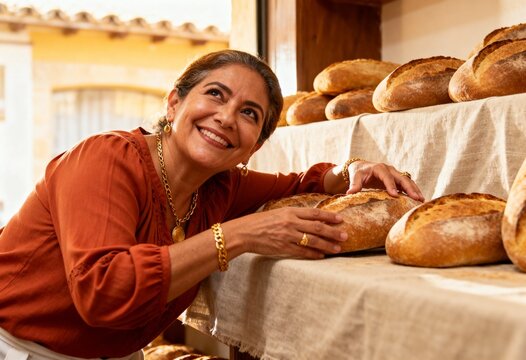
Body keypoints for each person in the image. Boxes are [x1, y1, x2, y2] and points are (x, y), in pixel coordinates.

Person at [0, 49, 424, 360]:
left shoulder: (218, 185)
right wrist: (237, 236)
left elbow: (299, 182)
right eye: (215, 94)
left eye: (249, 114)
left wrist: (352, 171)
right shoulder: (105, 159)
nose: (225, 117)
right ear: (174, 102)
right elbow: (104, 291)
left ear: (253, 147)